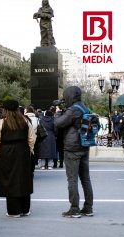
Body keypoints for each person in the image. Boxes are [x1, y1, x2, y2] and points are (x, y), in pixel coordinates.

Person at [55, 86, 94, 218]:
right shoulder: (84, 107)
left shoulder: (72, 110)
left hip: (72, 148)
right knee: (85, 179)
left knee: (72, 179)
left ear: (69, 96)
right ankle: (88, 208)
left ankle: (74, 209)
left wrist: (59, 112)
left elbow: (59, 123)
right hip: (84, 145)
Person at [0, 100, 36, 217]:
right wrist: (29, 150)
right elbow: (32, 138)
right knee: (24, 179)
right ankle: (25, 209)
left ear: (4, 109)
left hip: (6, 153)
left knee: (9, 179)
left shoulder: (1, 123)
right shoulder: (25, 121)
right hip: (23, 151)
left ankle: (14, 210)